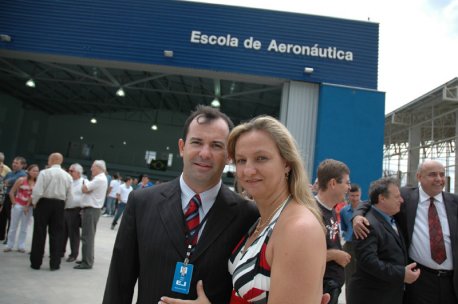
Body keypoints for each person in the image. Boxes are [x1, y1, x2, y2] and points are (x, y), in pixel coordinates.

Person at [160, 115, 327, 304]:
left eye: (261, 158)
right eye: (241, 160)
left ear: (286, 163)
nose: (248, 171)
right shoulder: (263, 219)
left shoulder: (299, 229)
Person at [102, 105, 259, 303]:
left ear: (228, 155)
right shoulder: (141, 203)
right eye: (197, 142)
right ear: (182, 147)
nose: (205, 153)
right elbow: (119, 282)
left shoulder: (248, 215)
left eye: (216, 145)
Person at [353, 159, 458, 304]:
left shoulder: (455, 202)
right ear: (419, 176)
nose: (439, 179)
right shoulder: (405, 198)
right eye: (433, 174)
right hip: (419, 280)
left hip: (452, 282)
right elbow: (373, 200)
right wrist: (357, 216)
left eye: (442, 174)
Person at [348, 177, 420, 304]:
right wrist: (402, 274)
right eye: (397, 197)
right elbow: (368, 262)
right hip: (372, 297)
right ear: (382, 198)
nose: (402, 200)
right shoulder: (366, 224)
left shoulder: (391, 218)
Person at [315, 159, 351, 304]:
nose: (349, 187)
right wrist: (334, 254)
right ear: (333, 184)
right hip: (320, 289)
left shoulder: (331, 210)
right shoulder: (312, 212)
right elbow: (299, 255)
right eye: (347, 183)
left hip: (331, 287)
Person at [30, 153, 72, 270]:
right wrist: (64, 206)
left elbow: (38, 191)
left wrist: (34, 202)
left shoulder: (44, 173)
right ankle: (55, 263)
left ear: (51, 160)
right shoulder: (67, 176)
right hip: (59, 204)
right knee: (57, 234)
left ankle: (36, 262)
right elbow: (70, 195)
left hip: (44, 202)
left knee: (39, 233)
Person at [74, 160, 108, 270]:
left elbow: (84, 189)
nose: (91, 169)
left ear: (98, 168)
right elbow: (86, 190)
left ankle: (87, 261)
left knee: (87, 236)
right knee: (88, 235)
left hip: (91, 210)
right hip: (92, 210)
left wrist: (86, 187)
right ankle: (87, 258)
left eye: (93, 167)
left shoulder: (99, 179)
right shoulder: (100, 179)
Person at [4, 164, 39, 252]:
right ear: (28, 171)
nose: (35, 172)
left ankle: (21, 245)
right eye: (33, 170)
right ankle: (9, 245)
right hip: (18, 204)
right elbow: (12, 192)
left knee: (24, 227)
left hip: (29, 207)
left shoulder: (37, 182)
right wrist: (14, 203)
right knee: (13, 226)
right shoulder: (21, 180)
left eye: (37, 171)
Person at [339, 183, 361, 302]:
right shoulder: (343, 211)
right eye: (352, 195)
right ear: (349, 196)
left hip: (362, 245)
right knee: (349, 277)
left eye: (357, 195)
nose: (355, 198)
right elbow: (344, 227)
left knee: (362, 275)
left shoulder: (365, 208)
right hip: (348, 245)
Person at [63, 163, 87, 262]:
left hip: (76, 210)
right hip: (65, 209)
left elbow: (86, 196)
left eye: (71, 171)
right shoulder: (68, 181)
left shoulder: (84, 182)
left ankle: (73, 254)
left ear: (78, 172)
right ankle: (60, 251)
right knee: (63, 232)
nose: (69, 172)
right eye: (69, 170)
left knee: (73, 234)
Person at [0, 156, 27, 242]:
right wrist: (7, 182)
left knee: (11, 218)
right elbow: (4, 182)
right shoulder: (10, 173)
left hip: (14, 198)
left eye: (17, 163)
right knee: (2, 217)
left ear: (22, 165)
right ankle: (1, 235)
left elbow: (10, 182)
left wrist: (8, 182)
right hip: (6, 196)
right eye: (14, 162)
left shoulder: (23, 174)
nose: (14, 164)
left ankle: (9, 238)